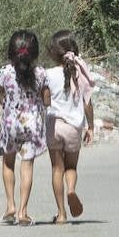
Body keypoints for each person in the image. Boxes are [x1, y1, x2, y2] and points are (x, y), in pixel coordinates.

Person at [0, 30, 49, 227]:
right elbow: (46, 99)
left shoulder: (4, 73)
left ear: (10, 52)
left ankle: (10, 206)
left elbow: (1, 98)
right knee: (27, 166)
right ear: (34, 54)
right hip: (31, 125)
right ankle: (23, 212)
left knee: (8, 163)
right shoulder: (41, 74)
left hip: (10, 124)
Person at [43, 30, 95, 224]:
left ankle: (61, 213)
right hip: (74, 128)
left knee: (57, 168)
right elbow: (88, 103)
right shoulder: (79, 74)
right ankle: (71, 190)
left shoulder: (48, 75)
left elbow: (46, 100)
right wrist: (90, 127)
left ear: (53, 53)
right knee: (71, 167)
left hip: (54, 126)